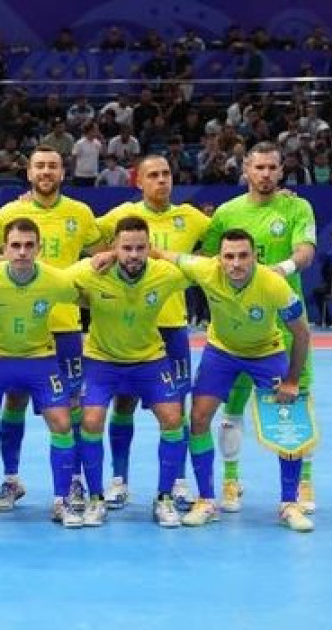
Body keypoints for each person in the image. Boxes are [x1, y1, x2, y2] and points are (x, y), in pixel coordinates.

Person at [157, 230, 315, 532]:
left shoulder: (273, 284)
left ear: (255, 257)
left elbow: (302, 332)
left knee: (288, 423)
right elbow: (165, 255)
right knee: (199, 417)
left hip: (266, 353)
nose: (236, 263)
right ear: (219, 259)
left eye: (243, 256)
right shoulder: (205, 269)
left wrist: (292, 381)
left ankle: (289, 504)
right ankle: (206, 500)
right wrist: (111, 254)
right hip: (222, 353)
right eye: (229, 256)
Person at [0, 144, 102, 513]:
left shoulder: (80, 213)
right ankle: (11, 479)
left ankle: (74, 483)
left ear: (63, 173)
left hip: (64, 326)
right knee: (14, 401)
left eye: (53, 166)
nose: (46, 172)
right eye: (40, 166)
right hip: (16, 328)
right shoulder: (10, 212)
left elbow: (101, 255)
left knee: (71, 408)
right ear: (29, 173)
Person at [203, 141, 317, 513]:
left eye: (272, 168)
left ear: (281, 171)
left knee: (294, 402)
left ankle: (302, 485)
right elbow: (207, 257)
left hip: (285, 323)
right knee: (231, 406)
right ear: (246, 171)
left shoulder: (297, 206)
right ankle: (231, 481)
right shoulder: (226, 212)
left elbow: (305, 251)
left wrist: (278, 272)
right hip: (236, 328)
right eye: (259, 168)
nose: (266, 174)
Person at [94, 156, 210, 511]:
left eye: (166, 174)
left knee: (176, 409)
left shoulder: (190, 217)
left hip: (171, 327)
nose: (162, 181)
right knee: (122, 403)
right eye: (153, 176)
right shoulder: (118, 216)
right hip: (127, 326)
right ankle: (119, 480)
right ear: (138, 181)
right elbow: (81, 233)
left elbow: (228, 230)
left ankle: (176, 482)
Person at [0, 218, 83, 528]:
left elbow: (88, 292)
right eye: (15, 246)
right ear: (5, 249)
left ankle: (62, 500)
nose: (22, 252)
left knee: (62, 422)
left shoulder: (57, 281)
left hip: (40, 359)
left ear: (39, 248)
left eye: (28, 246)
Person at [66, 216, 189, 527]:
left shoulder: (165, 274)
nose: (134, 255)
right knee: (90, 420)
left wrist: (163, 255)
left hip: (149, 359)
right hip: (101, 361)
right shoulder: (92, 270)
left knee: (174, 418)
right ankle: (95, 498)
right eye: (126, 248)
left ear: (150, 248)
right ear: (113, 248)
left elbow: (207, 268)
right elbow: (52, 280)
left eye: (140, 248)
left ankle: (164, 498)